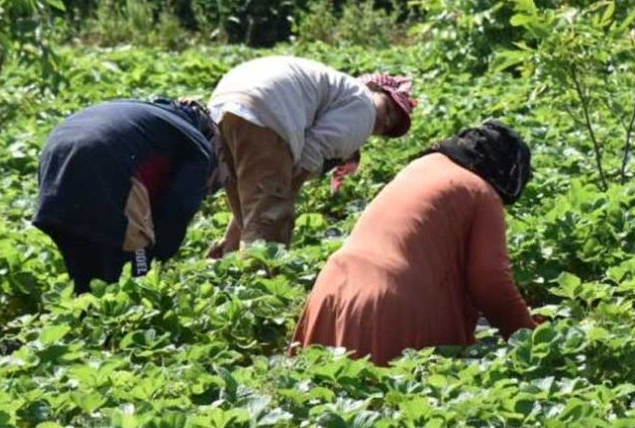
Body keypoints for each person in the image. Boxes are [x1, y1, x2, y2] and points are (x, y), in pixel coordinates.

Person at [290, 121, 539, 365]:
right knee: (386, 400)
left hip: (331, 289)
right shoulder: (481, 191)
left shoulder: (422, 166)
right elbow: (491, 283)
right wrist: (536, 342)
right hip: (388, 305)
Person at [205, 56, 416, 259]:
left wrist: (233, 238)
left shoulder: (338, 90)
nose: (385, 121)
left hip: (227, 100)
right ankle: (256, 284)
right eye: (388, 108)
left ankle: (225, 264)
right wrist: (283, 199)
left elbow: (252, 194)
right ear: (373, 88)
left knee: (254, 207)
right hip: (266, 108)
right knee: (272, 223)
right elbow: (312, 154)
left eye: (389, 127)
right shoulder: (364, 106)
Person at [33, 98, 220, 294]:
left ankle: (85, 317)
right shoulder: (197, 145)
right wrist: (154, 259)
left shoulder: (150, 114)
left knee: (86, 282)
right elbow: (176, 211)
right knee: (134, 287)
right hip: (106, 163)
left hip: (54, 164)